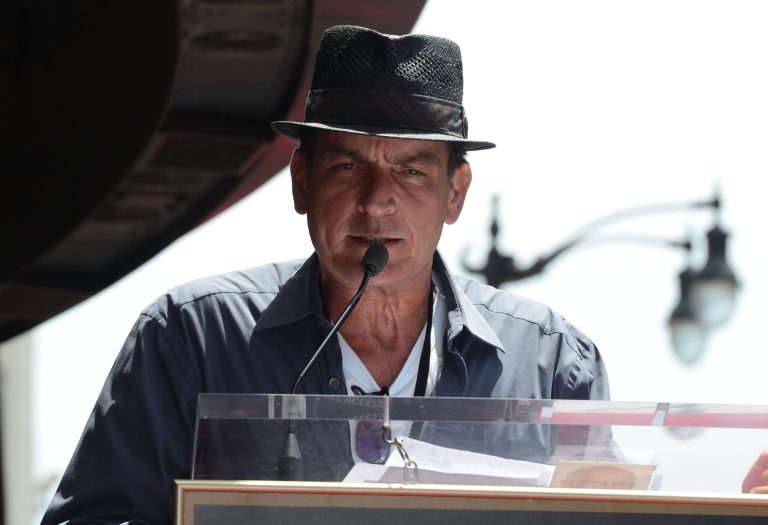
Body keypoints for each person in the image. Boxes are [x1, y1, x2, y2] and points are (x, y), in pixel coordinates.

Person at [42, 25, 609, 524]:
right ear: (301, 182)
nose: (377, 202)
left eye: (411, 171)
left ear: (454, 194)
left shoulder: (552, 361)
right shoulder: (190, 335)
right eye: (347, 166)